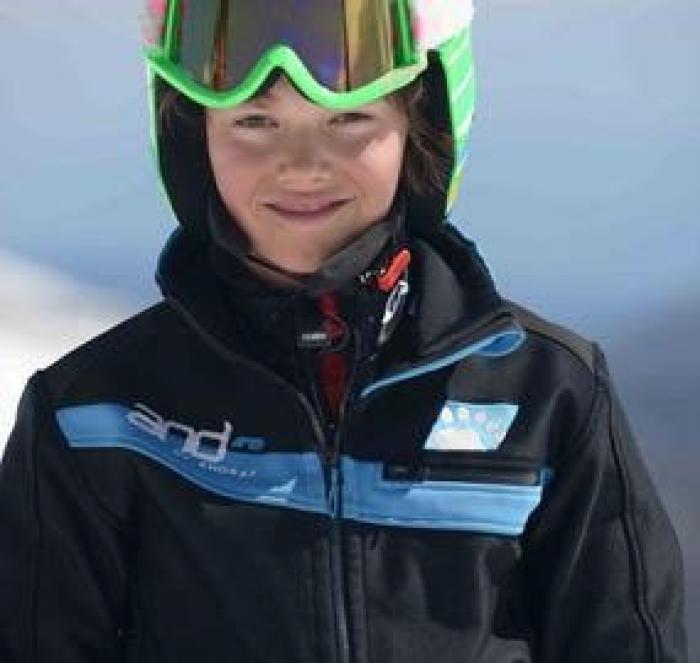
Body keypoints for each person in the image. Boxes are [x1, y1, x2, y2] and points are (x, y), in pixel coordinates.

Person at [0, 1, 688, 661]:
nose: (302, 164)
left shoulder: (545, 394)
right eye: (255, 121)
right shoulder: (95, 416)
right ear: (192, 132)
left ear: (421, 125)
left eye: (350, 118)